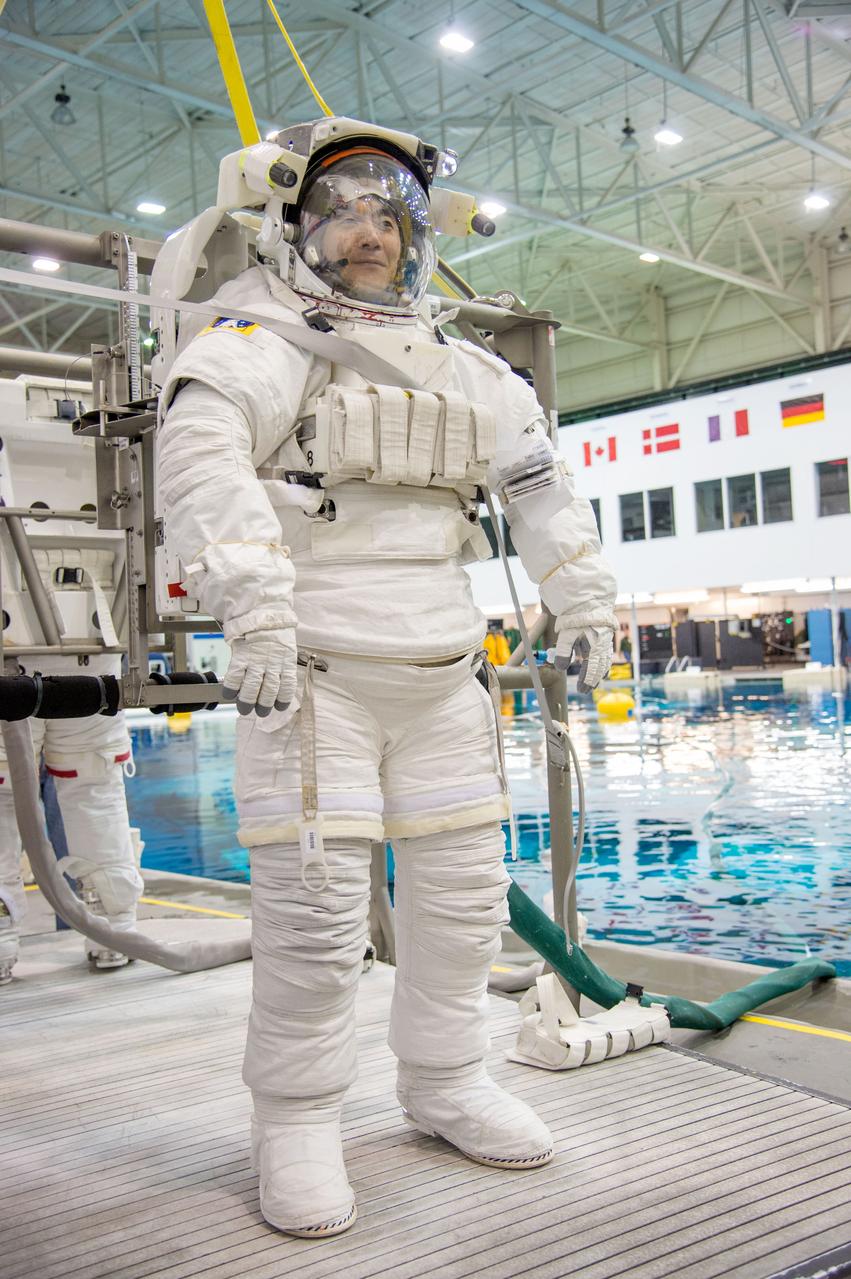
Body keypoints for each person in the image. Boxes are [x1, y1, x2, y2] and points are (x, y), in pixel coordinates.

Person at [156, 118, 617, 1238]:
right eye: (343, 207)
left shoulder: (470, 370)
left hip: (441, 669)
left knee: (459, 910)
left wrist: (586, 596)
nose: (368, 227)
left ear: (417, 233)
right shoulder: (251, 343)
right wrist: (252, 612)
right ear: (293, 222)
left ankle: (446, 1079)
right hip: (314, 673)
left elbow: (542, 488)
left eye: (389, 210)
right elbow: (201, 467)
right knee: (316, 922)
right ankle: (299, 1119)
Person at [0, 659, 143, 983]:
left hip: (31, 662)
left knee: (9, 796)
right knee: (93, 791)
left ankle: (111, 925)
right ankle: (113, 928)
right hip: (91, 664)